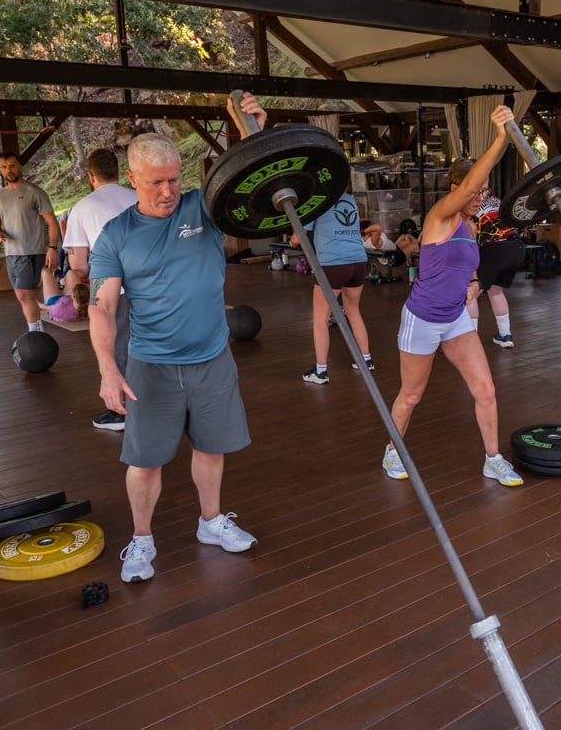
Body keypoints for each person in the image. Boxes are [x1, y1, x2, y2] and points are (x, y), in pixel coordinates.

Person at [88, 125, 255, 585]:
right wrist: (108, 369)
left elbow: (251, 176)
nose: (167, 191)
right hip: (151, 364)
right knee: (144, 461)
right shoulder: (116, 236)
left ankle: (211, 522)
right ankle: (142, 539)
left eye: (174, 179)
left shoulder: (202, 206)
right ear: (131, 178)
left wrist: (250, 130)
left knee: (211, 447)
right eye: (155, 182)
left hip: (212, 357)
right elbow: (101, 305)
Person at [380, 104, 523, 488]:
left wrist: (474, 284)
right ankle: (393, 451)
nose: (482, 196)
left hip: (456, 318)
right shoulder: (439, 217)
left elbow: (469, 269)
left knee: (486, 390)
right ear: (457, 188)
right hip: (423, 318)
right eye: (476, 189)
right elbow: (473, 182)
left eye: (486, 191)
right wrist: (500, 138)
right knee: (411, 396)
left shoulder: (472, 227)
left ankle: (493, 459)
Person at [63, 148, 138, 431]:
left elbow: (79, 264)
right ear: (119, 172)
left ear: (90, 176)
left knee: (117, 348)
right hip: (151, 284)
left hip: (110, 286)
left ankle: (122, 412)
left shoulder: (82, 207)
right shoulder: (139, 196)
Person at [293, 189, 378, 384]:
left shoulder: (317, 200)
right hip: (357, 261)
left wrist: (293, 230)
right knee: (353, 311)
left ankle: (320, 371)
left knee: (319, 319)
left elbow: (297, 239)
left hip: (333, 264)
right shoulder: (349, 199)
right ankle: (366, 360)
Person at [0, 151, 60, 332]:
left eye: (12, 166)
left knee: (24, 293)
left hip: (31, 251)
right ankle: (37, 329)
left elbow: (52, 222)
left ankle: (35, 332)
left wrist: (52, 247)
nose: (8, 170)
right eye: (4, 167)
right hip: (11, 252)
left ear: (20, 166)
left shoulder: (35, 192)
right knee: (22, 295)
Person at [462, 164, 527, 348]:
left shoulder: (469, 201)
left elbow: (470, 231)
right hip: (516, 248)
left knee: (471, 292)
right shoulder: (494, 199)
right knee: (496, 290)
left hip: (496, 248)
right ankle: (505, 336)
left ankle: (470, 340)